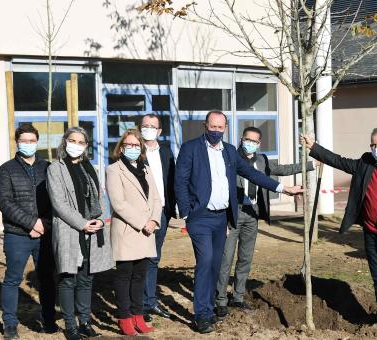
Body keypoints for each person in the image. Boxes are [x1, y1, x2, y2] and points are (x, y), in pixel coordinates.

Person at [174, 111, 304, 333]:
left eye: (220, 127)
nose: (216, 131)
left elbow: (254, 175)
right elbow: (180, 181)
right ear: (205, 126)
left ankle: (208, 309)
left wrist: (284, 188)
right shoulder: (190, 148)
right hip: (200, 217)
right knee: (205, 262)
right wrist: (187, 213)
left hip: (222, 217)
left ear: (226, 128)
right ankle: (200, 315)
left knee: (215, 265)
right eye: (212, 127)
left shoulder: (230, 152)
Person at [301, 128, 377, 334]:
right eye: (373, 145)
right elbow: (339, 161)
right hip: (372, 234)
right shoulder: (365, 163)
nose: (376, 149)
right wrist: (314, 147)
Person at [215, 126, 315, 316]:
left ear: (259, 144)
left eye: (254, 141)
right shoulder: (230, 159)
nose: (249, 144)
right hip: (233, 214)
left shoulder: (263, 161)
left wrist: (311, 164)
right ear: (241, 139)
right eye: (247, 140)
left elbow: (285, 169)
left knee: (245, 258)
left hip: (252, 214)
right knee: (225, 258)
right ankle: (220, 300)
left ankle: (237, 297)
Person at [47, 127, 114, 340]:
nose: (76, 144)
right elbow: (59, 203)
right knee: (68, 279)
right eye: (72, 140)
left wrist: (99, 219)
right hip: (70, 229)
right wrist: (82, 223)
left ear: (86, 146)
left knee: (86, 279)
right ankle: (71, 326)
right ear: (65, 141)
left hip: (91, 231)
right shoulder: (55, 169)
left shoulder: (89, 167)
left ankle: (85, 321)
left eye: (81, 141)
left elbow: (100, 196)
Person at [0, 124, 57, 340]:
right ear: (17, 142)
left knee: (47, 279)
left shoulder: (48, 167)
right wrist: (32, 224)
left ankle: (49, 320)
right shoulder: (6, 169)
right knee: (12, 279)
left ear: (37, 142)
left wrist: (45, 224)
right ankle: (10, 324)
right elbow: (5, 202)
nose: (28, 144)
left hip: (45, 234)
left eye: (32, 141)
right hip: (16, 235)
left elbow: (56, 200)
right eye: (24, 140)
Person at [106, 129, 162, 336]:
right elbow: (118, 203)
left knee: (140, 275)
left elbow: (156, 198)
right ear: (121, 148)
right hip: (128, 230)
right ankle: (124, 317)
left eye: (136, 145)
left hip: (147, 231)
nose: (132, 148)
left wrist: (154, 220)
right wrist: (143, 222)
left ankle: (138, 316)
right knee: (124, 275)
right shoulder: (113, 170)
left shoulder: (146, 169)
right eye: (128, 145)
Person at [139, 114, 176, 322]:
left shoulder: (167, 152)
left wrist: (175, 208)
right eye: (145, 126)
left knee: (154, 257)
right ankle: (140, 304)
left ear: (159, 131)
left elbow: (172, 180)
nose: (149, 129)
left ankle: (150, 301)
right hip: (142, 213)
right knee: (141, 258)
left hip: (162, 211)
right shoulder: (134, 151)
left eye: (153, 127)